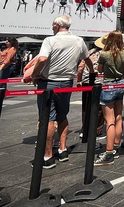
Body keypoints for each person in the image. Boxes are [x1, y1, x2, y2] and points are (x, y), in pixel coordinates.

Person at [30, 15, 92, 168]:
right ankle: (63, 149)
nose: (52, 27)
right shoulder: (79, 40)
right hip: (66, 83)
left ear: (57, 25)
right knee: (62, 115)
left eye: (53, 24)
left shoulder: (50, 40)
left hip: (49, 82)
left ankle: (48, 155)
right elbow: (88, 58)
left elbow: (43, 59)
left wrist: (34, 74)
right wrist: (92, 72)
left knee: (48, 119)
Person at [94, 31, 124, 166]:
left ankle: (108, 152)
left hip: (108, 85)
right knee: (119, 116)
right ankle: (116, 146)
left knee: (109, 120)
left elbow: (100, 70)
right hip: (120, 84)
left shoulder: (104, 54)